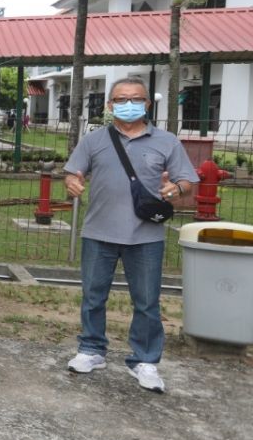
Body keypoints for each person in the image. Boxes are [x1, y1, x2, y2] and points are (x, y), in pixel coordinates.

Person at [63, 78, 197, 393]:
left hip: (146, 236)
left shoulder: (166, 142)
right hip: (99, 232)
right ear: (109, 105)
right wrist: (71, 182)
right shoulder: (94, 140)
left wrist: (175, 189)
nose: (128, 104)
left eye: (136, 98)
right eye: (121, 99)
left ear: (147, 104)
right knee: (93, 295)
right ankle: (92, 349)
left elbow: (187, 181)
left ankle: (145, 360)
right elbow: (73, 172)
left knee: (147, 301)